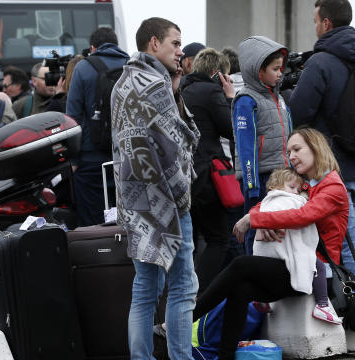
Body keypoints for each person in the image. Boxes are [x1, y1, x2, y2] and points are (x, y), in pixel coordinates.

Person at [193, 127, 348, 360]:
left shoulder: (332, 187)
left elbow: (303, 215)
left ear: (316, 148)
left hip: (317, 271)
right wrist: (260, 219)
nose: (292, 156)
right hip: (293, 263)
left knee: (241, 264)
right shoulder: (308, 184)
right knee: (240, 289)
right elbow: (272, 200)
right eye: (289, 151)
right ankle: (224, 356)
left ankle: (184, 319)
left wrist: (254, 220)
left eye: (297, 149)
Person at [110, 17, 199, 360]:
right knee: (183, 287)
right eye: (175, 43)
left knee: (145, 288)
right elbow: (176, 144)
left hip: (135, 201)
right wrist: (182, 197)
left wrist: (174, 89)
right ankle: (181, 357)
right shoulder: (154, 85)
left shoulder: (124, 83)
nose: (180, 51)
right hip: (168, 201)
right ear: (154, 43)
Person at [288, 0, 355, 307]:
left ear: (326, 23)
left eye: (316, 21)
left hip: (332, 166)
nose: (314, 27)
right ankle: (351, 310)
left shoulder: (321, 62)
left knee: (347, 241)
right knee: (345, 239)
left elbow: (299, 112)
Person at [256, 167, 342, 325]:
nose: (295, 192)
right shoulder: (294, 201)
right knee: (317, 266)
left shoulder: (265, 203)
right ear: (275, 186)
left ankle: (264, 300)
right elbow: (302, 220)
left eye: (297, 189)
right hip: (286, 251)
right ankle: (322, 305)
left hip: (267, 254)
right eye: (291, 187)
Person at [181, 47, 235, 295]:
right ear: (217, 73)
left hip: (186, 177)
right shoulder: (212, 91)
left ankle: (184, 294)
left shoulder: (184, 89)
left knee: (191, 243)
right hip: (208, 178)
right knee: (219, 239)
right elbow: (230, 128)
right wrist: (230, 97)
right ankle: (199, 296)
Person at [232, 35, 292, 255]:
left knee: (277, 232)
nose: (280, 73)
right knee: (255, 229)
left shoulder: (279, 98)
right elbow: (245, 146)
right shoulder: (246, 101)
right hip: (261, 178)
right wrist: (252, 185)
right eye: (275, 69)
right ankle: (253, 280)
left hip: (283, 176)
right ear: (259, 70)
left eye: (281, 69)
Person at [66, 27, 129, 227]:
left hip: (91, 159)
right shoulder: (132, 66)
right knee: (128, 219)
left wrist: (74, 159)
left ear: (93, 47)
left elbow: (73, 116)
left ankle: (96, 255)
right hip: (128, 157)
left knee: (92, 221)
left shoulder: (83, 68)